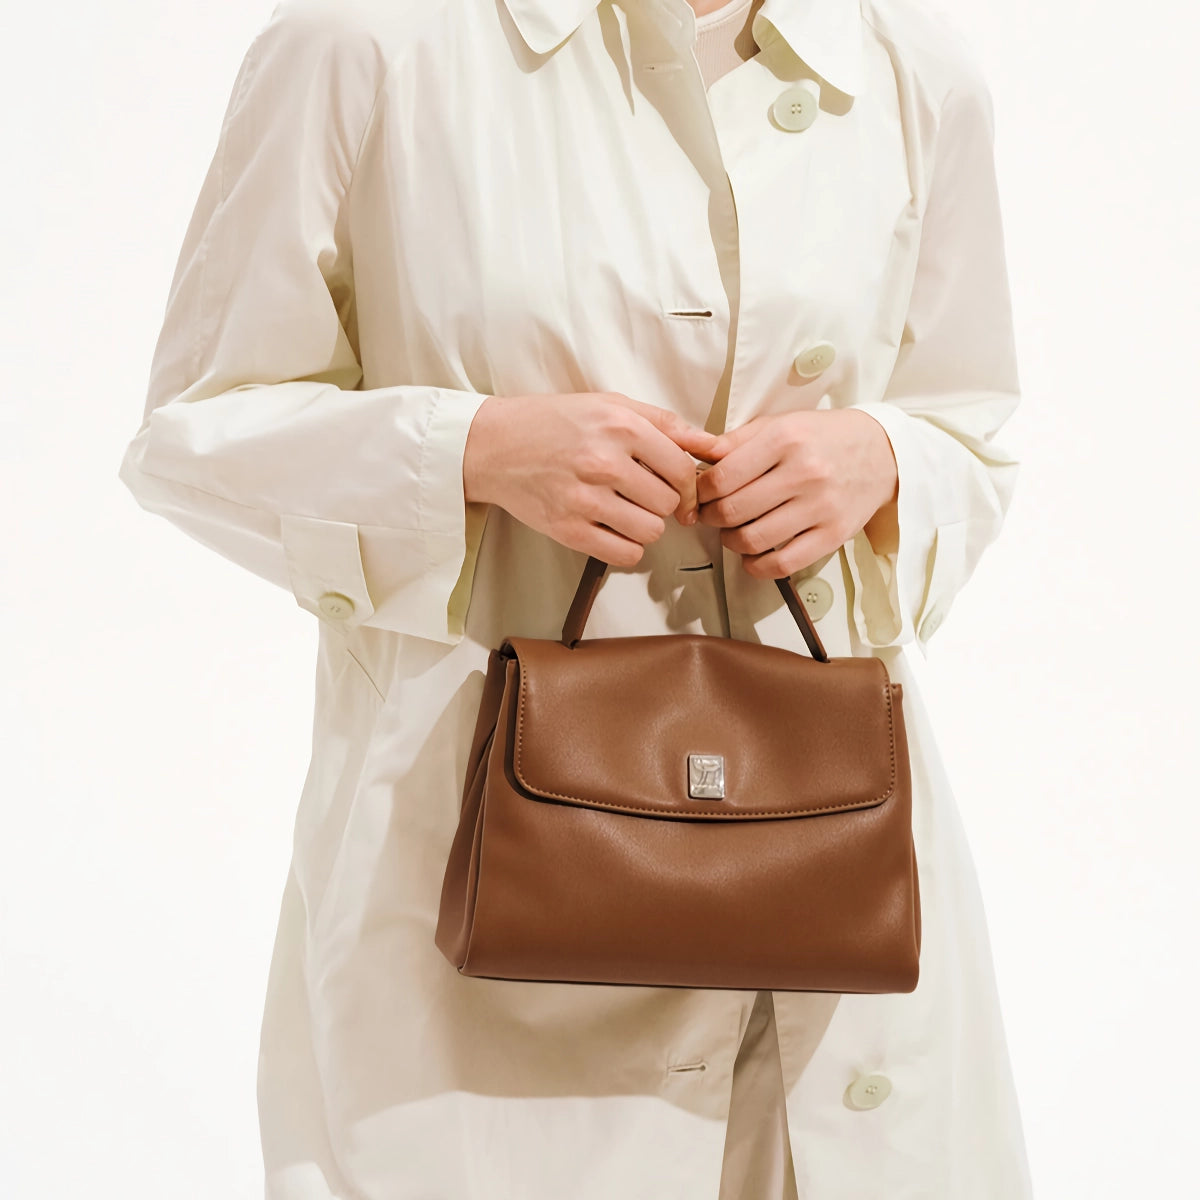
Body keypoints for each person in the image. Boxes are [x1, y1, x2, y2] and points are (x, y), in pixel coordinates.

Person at [118, 0, 1032, 1195]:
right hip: (482, 889)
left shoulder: (914, 68)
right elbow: (193, 438)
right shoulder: (366, 42)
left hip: (839, 894)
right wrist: (474, 450)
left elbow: (974, 427)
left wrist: (884, 459)